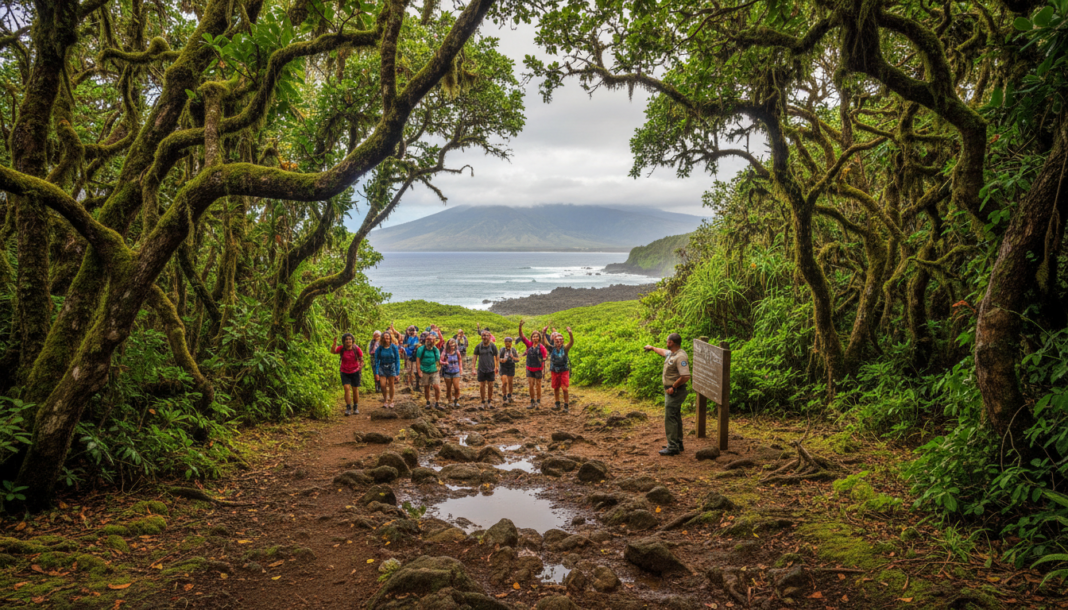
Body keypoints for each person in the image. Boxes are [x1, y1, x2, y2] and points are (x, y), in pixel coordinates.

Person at [644, 333, 691, 456]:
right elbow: (663, 352)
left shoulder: (680, 357)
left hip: (675, 392)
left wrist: (673, 387)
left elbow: (685, 376)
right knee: (675, 417)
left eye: (667, 342)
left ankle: (672, 447)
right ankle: (678, 443)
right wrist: (653, 348)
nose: (666, 344)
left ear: (671, 343)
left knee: (670, 418)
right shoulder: (672, 353)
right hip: (672, 391)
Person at [517, 320, 548, 409]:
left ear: (539, 338)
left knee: (538, 385)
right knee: (531, 385)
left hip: (538, 368)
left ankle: (538, 401)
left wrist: (544, 359)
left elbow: (545, 355)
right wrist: (520, 327)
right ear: (531, 338)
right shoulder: (529, 344)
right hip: (529, 367)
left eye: (536, 336)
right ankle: (532, 401)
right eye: (533, 336)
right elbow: (522, 337)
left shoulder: (541, 347)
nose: (535, 338)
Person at [331, 333, 363, 416]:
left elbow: (361, 359)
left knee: (355, 389)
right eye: (346, 339)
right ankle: (348, 407)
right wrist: (334, 344)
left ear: (352, 341)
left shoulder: (356, 349)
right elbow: (333, 352)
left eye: (350, 339)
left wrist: (360, 367)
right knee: (346, 388)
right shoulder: (341, 348)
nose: (348, 341)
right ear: (344, 341)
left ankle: (355, 407)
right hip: (344, 371)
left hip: (355, 371)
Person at [548, 327, 575, 412]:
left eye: (560, 340)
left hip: (564, 370)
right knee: (556, 387)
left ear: (563, 341)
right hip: (554, 370)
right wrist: (543, 332)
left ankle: (566, 406)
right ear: (554, 341)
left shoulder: (565, 348)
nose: (559, 342)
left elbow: (571, 342)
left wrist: (570, 333)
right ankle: (557, 404)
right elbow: (544, 342)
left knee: (564, 388)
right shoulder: (552, 348)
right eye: (557, 340)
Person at [471, 331, 499, 408]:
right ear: (481, 337)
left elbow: (497, 356)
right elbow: (474, 358)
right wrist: (473, 368)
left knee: (491, 385)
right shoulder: (478, 346)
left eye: (486, 335)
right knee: (481, 386)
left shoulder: (493, 346)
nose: (485, 337)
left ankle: (489, 401)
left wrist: (496, 367)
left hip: (491, 369)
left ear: (489, 336)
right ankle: (483, 402)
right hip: (481, 369)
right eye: (483, 335)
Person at [416, 333, 443, 410]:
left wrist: (438, 369)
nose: (429, 341)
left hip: (434, 371)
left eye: (431, 339)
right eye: (428, 339)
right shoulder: (420, 349)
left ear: (434, 341)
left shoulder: (436, 350)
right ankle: (428, 402)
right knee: (426, 387)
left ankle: (437, 402)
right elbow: (418, 360)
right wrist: (419, 371)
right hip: (424, 370)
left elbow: (438, 360)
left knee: (436, 387)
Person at [376, 328, 402, 408]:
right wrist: (376, 373)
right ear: (382, 338)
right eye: (384, 337)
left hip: (392, 367)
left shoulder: (394, 347)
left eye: (387, 337)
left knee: (391, 384)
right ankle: (385, 400)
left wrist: (397, 373)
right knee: (383, 385)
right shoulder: (379, 349)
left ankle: (391, 400)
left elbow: (397, 360)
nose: (386, 339)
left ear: (390, 338)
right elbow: (376, 361)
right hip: (382, 367)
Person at [441, 338, 464, 408]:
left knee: (457, 388)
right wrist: (445, 362)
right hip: (447, 372)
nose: (452, 346)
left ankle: (456, 400)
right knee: (448, 388)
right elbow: (440, 360)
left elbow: (460, 359)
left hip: (456, 371)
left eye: (453, 345)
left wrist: (460, 368)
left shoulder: (457, 352)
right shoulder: (445, 352)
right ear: (448, 345)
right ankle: (449, 401)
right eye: (451, 345)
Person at [499, 337, 519, 404]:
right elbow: (498, 358)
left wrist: (513, 357)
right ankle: (504, 395)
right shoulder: (502, 350)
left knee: (510, 382)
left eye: (509, 342)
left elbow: (518, 359)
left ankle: (510, 394)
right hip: (503, 366)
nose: (507, 343)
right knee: (504, 382)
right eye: (506, 342)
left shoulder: (513, 350)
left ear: (511, 343)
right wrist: (502, 360)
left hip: (511, 366)